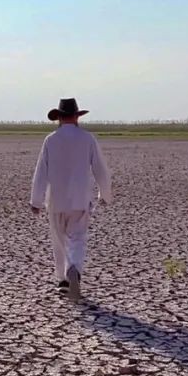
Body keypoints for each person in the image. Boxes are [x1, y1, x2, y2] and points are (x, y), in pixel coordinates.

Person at [30, 97, 113, 302]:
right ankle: (74, 268)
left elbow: (41, 172)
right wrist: (105, 194)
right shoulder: (87, 139)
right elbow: (101, 169)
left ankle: (63, 281)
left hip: (56, 200)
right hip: (80, 199)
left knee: (59, 241)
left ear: (59, 118)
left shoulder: (50, 140)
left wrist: (36, 201)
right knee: (77, 239)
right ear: (76, 117)